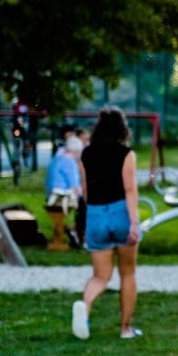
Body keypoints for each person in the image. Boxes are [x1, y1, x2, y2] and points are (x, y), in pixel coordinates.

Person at [71, 107, 142, 340]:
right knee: (128, 273)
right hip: (120, 212)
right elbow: (130, 189)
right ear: (122, 129)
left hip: (96, 214)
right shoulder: (127, 154)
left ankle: (85, 306)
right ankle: (125, 328)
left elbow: (86, 191)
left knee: (100, 276)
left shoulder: (86, 154)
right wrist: (133, 223)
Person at [44, 133, 83, 249]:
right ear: (76, 151)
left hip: (51, 196)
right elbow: (75, 186)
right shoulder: (69, 162)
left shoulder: (56, 159)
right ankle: (80, 233)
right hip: (61, 197)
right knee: (85, 204)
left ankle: (75, 230)